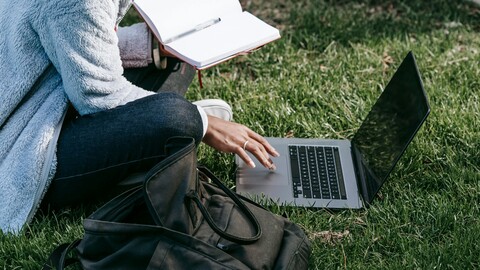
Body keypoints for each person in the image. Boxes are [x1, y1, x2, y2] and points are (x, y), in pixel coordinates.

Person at [0, 0, 279, 234]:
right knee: (180, 117)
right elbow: (100, 98)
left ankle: (150, 144)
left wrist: (156, 48)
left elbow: (76, 36)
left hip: (48, 98)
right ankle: (151, 148)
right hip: (22, 152)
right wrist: (207, 125)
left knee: (180, 50)